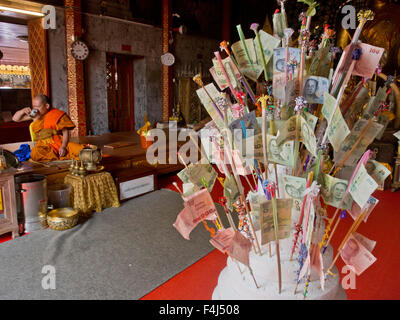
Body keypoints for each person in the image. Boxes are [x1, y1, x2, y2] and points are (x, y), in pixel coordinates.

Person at [12, 94, 84, 162]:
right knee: (36, 153)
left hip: (59, 143)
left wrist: (63, 147)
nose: (35, 109)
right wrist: (22, 111)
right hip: (43, 145)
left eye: (38, 107)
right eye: (34, 106)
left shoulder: (57, 115)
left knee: (82, 151)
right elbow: (15, 119)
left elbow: (65, 133)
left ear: (46, 106)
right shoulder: (35, 115)